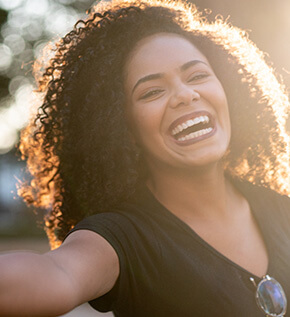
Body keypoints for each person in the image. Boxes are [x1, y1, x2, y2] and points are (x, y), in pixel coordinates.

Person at [1, 0, 290, 316]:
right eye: (152, 92)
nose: (185, 95)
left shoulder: (282, 210)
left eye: (197, 75)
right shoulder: (121, 238)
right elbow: (57, 275)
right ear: (120, 127)